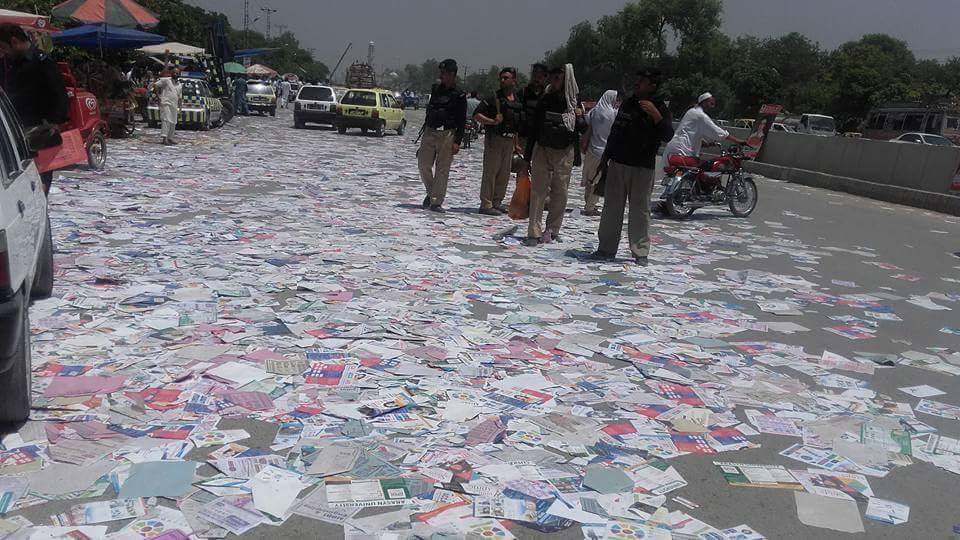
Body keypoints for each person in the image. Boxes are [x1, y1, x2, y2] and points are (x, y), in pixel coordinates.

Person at [583, 68, 673, 266]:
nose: (637, 83)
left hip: (642, 167)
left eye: (642, 80)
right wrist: (605, 159)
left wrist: (656, 115)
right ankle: (606, 249)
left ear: (653, 85)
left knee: (640, 210)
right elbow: (615, 132)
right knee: (611, 208)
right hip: (618, 163)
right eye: (637, 78)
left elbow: (668, 135)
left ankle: (640, 252)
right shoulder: (628, 103)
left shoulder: (659, 107)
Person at [0, 23, 69, 194]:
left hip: (38, 131)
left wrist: (51, 125)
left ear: (14, 42)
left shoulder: (42, 62)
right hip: (12, 130)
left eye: (4, 47)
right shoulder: (7, 62)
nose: (3, 52)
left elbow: (59, 95)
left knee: (39, 183)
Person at [523, 65, 583, 246]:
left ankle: (553, 229)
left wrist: (579, 116)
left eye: (558, 78)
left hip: (564, 152)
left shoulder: (573, 102)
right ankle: (534, 231)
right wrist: (527, 158)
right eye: (553, 77)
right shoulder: (545, 99)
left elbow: (581, 129)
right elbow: (534, 129)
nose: (554, 81)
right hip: (543, 149)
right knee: (538, 191)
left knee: (560, 192)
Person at [417, 59, 466, 213]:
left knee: (442, 169)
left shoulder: (459, 94)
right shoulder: (436, 89)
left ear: (452, 74)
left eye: (443, 73)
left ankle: (436, 201)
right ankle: (431, 192)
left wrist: (457, 141)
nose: (441, 75)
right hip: (430, 131)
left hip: (447, 133)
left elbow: (462, 120)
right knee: (423, 164)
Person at [474, 67, 522, 215]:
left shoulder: (517, 99)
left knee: (504, 174)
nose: (502, 80)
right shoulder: (493, 97)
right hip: (495, 139)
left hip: (509, 140)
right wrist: (492, 121)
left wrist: (516, 143)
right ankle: (486, 204)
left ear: (514, 80)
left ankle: (497, 202)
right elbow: (477, 115)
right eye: (501, 78)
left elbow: (515, 123)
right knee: (491, 172)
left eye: (506, 78)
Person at [664, 92, 745, 165]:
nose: (712, 106)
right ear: (704, 102)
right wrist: (738, 141)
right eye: (711, 103)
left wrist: (707, 144)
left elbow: (689, 133)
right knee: (705, 168)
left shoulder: (691, 111)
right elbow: (718, 132)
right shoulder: (701, 115)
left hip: (674, 149)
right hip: (682, 151)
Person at [580, 90, 619, 216]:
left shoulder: (594, 111)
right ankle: (590, 207)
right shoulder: (613, 113)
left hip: (591, 149)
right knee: (598, 179)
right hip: (603, 151)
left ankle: (588, 202)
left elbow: (586, 123)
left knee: (590, 178)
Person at [519, 63, 548, 150]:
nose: (536, 79)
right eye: (534, 76)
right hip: (524, 137)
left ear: (545, 77)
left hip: (541, 139)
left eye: (539, 77)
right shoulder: (523, 92)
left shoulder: (548, 95)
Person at [153, 68, 183, 145]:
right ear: (171, 73)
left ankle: (170, 138)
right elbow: (155, 85)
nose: (175, 74)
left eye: (177, 73)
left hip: (174, 105)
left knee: (173, 121)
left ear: (179, 74)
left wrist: (180, 108)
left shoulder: (179, 85)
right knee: (166, 120)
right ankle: (164, 138)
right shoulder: (166, 80)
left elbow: (180, 97)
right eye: (174, 73)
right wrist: (158, 96)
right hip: (166, 103)